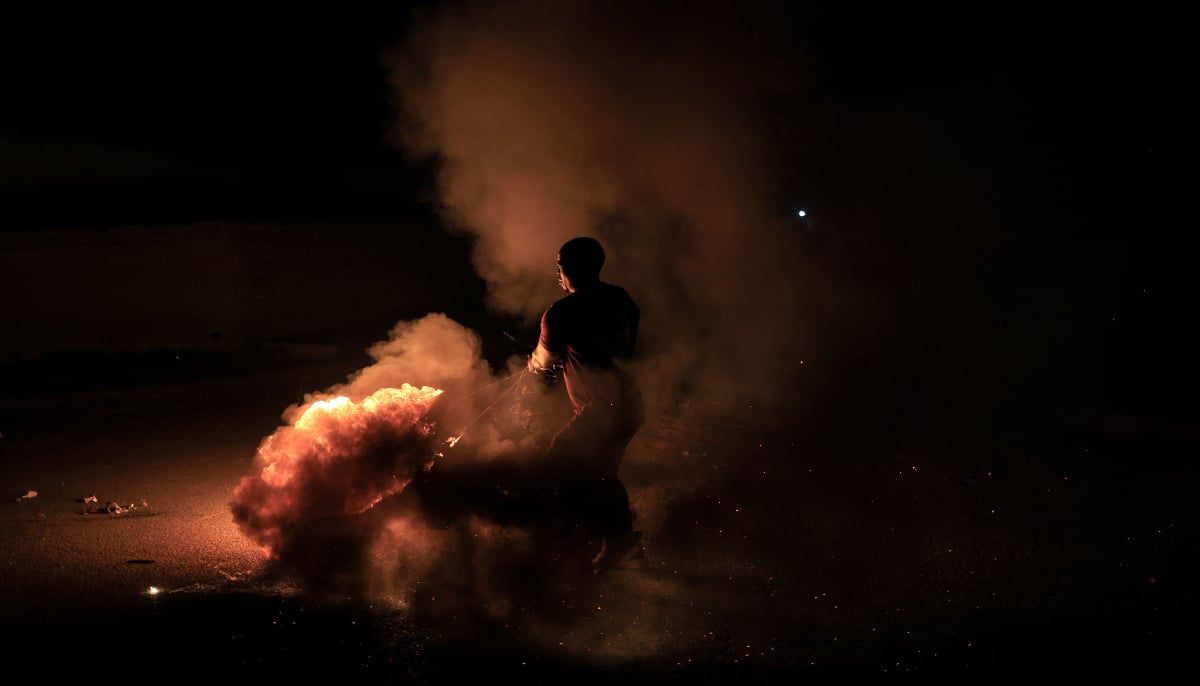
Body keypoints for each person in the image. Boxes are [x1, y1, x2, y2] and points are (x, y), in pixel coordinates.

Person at [526, 236, 646, 573]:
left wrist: (535, 363)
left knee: (556, 466)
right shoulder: (621, 299)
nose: (557, 272)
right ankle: (619, 546)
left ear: (567, 269)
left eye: (560, 265)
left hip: (601, 411)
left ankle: (567, 545)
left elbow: (545, 358)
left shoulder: (561, 312)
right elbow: (625, 348)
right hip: (630, 404)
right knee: (601, 474)